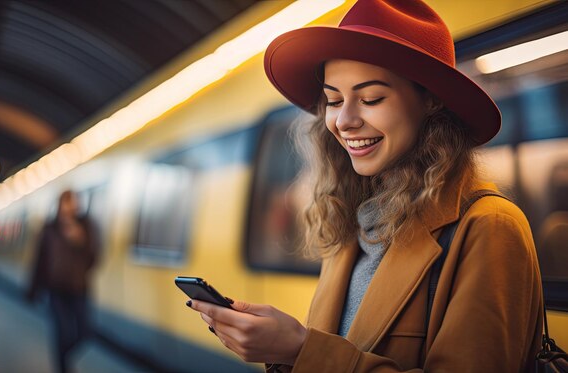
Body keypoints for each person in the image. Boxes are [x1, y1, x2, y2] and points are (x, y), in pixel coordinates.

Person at [187, 0, 544, 372]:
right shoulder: (352, 224)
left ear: (431, 101)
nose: (344, 121)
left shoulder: (489, 226)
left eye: (371, 98)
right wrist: (282, 352)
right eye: (333, 100)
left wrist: (301, 349)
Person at [27, 190, 98, 373]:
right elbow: (40, 260)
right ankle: (63, 368)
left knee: (84, 332)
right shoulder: (50, 229)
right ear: (60, 205)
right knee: (62, 332)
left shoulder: (85, 226)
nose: (71, 207)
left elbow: (94, 257)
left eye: (74, 202)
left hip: (79, 288)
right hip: (56, 289)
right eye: (67, 202)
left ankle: (63, 361)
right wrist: (32, 289)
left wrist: (80, 241)